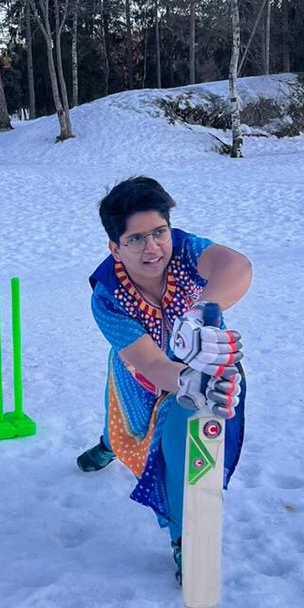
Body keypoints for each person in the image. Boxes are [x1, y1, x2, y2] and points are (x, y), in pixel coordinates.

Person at [79, 176, 252, 583]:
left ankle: (183, 538)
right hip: (137, 377)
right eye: (136, 239)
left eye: (159, 232)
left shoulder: (186, 250)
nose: (153, 247)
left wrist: (200, 314)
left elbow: (237, 267)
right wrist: (190, 380)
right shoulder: (106, 297)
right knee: (126, 430)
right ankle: (108, 445)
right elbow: (152, 364)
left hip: (198, 363)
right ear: (115, 248)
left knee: (179, 449)